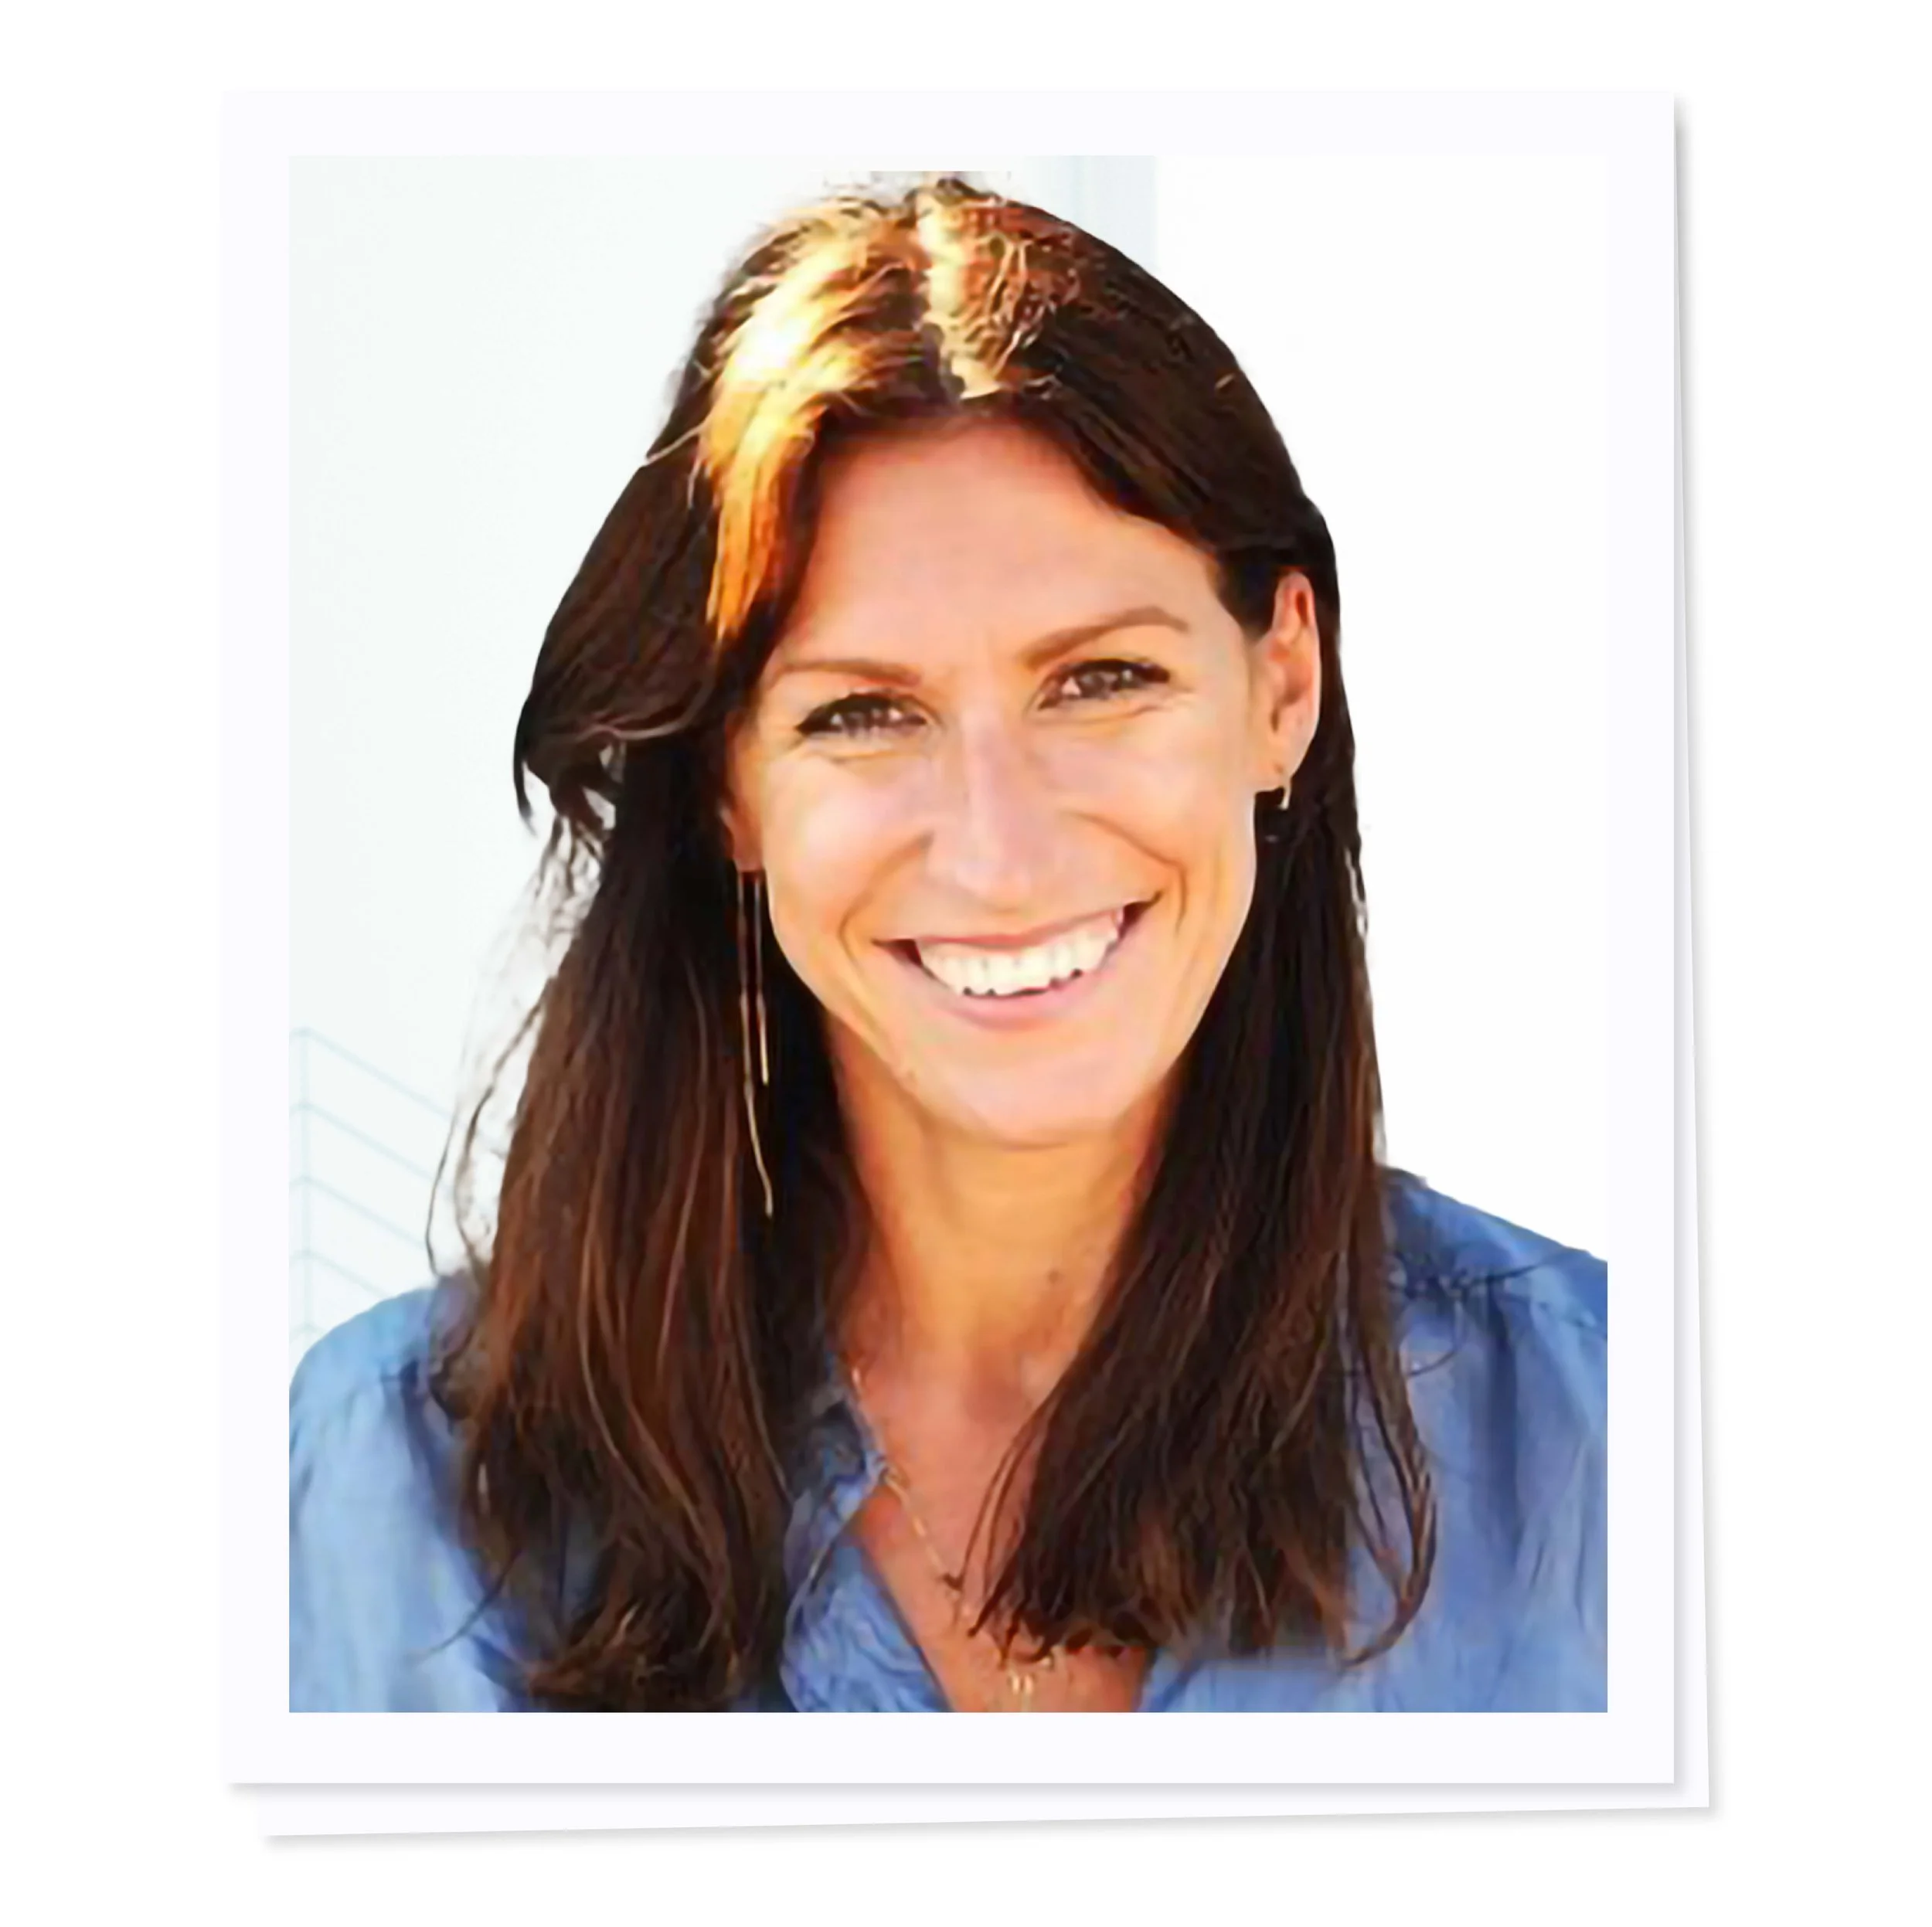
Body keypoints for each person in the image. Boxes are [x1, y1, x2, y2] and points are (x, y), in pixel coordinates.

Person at [289, 173, 1606, 1713]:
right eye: (862, 712)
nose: (998, 849)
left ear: (1280, 685)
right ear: (730, 784)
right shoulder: (385, 1489)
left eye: (1100, 680)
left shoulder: (1625, 1438)